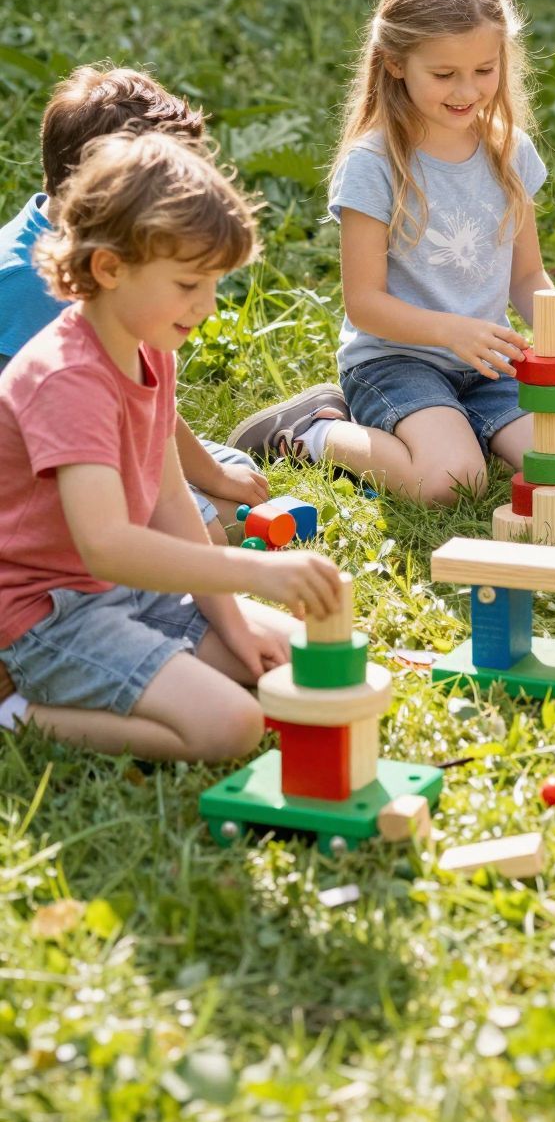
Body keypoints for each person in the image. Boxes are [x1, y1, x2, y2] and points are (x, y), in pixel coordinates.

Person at [0, 133, 342, 760]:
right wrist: (254, 571)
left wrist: (232, 625)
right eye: (189, 284)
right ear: (110, 269)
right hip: (48, 613)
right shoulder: (66, 378)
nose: (207, 305)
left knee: (306, 657)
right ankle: (17, 713)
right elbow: (106, 544)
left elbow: (168, 502)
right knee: (232, 726)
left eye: (213, 283)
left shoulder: (150, 345)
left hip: (131, 588)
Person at [259, 0, 555, 504]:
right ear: (395, 62)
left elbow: (526, 274)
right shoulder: (374, 164)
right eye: (444, 74)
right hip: (396, 361)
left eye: (484, 70)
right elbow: (364, 304)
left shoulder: (509, 152)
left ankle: (459, 429)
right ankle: (314, 432)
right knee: (450, 483)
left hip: (486, 364)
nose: (467, 92)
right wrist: (450, 332)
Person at [0, 64, 321, 545]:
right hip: (47, 471)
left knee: (235, 477)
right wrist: (208, 485)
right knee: (214, 525)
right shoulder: (30, 282)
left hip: (107, 437)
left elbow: (148, 402)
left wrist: (211, 474)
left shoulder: (103, 264)